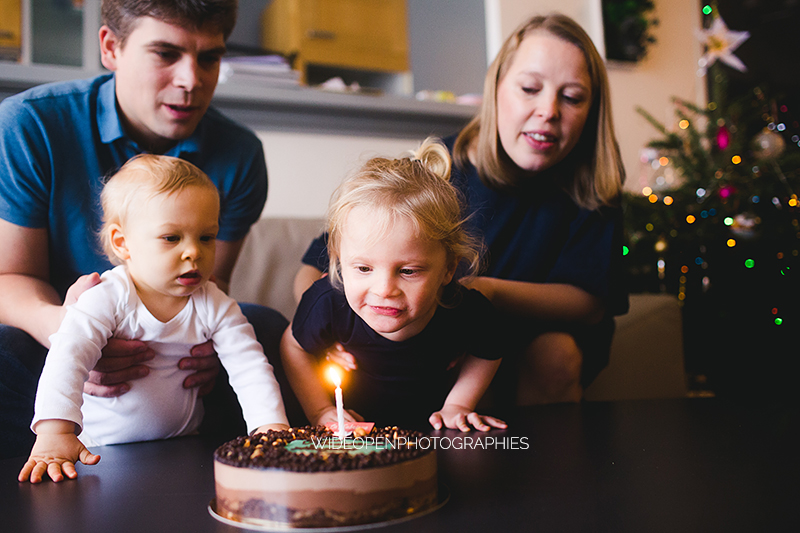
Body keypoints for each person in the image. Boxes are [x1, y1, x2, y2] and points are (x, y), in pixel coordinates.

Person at [0, 0, 288, 459]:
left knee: (268, 328)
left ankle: (237, 459)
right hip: (54, 342)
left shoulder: (240, 154)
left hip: (176, 355)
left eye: (209, 58)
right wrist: (70, 332)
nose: (191, 81)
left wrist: (205, 351)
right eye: (165, 53)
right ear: (111, 47)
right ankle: (53, 451)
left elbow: (213, 283)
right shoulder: (29, 125)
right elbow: (8, 279)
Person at [295, 13, 629, 406]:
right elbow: (319, 268)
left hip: (533, 340)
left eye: (572, 97)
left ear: (592, 110)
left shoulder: (594, 187)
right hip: (438, 344)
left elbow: (591, 303)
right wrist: (327, 331)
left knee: (555, 353)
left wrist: (485, 291)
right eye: (529, 88)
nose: (549, 110)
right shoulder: (439, 165)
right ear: (497, 88)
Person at [17, 155, 289, 484]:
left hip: (183, 445)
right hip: (100, 450)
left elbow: (250, 366)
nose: (194, 252)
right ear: (123, 243)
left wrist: (271, 428)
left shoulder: (213, 302)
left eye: (206, 237)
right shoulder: (108, 297)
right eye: (171, 238)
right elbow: (68, 357)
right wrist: (55, 432)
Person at [282, 138, 508, 432]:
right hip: (356, 436)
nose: (384, 289)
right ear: (339, 262)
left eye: (408, 271)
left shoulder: (463, 308)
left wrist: (459, 404)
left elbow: (490, 346)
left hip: (428, 435)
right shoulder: (328, 303)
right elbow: (292, 346)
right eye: (363, 268)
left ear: (448, 268)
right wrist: (321, 411)